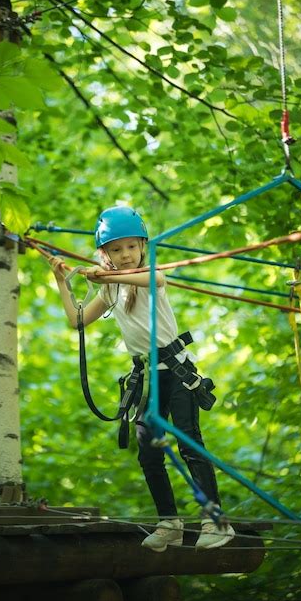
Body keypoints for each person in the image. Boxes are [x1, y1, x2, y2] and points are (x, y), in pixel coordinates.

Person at [43, 206, 235, 552]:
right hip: (149, 377)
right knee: (148, 452)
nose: (125, 254)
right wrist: (61, 280)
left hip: (176, 372)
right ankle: (169, 523)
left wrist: (106, 276)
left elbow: (156, 279)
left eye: (131, 246)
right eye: (116, 250)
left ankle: (216, 521)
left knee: (189, 443)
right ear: (106, 255)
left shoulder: (146, 276)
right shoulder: (111, 290)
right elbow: (77, 321)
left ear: (143, 247)